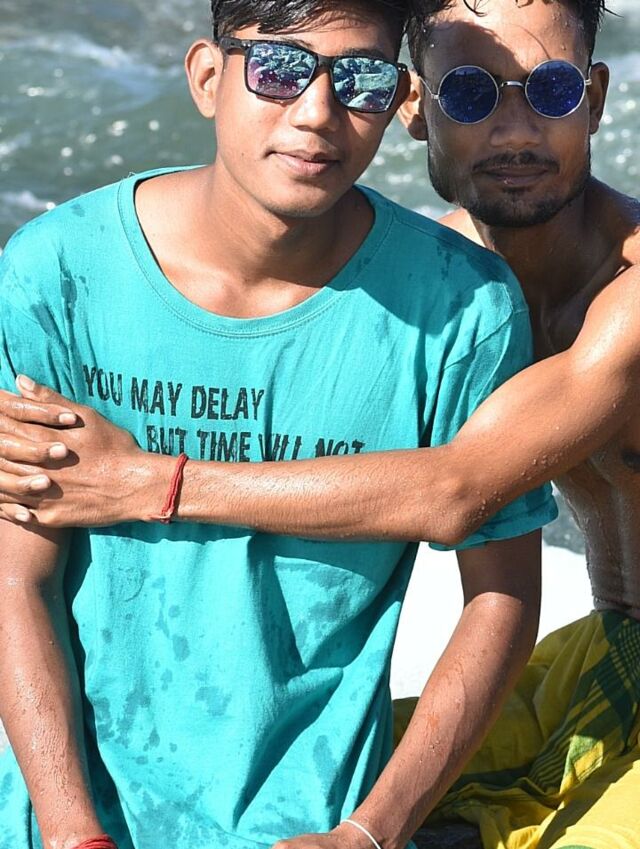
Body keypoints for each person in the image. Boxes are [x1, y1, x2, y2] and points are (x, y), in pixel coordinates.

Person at [2, 0, 638, 846]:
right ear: (418, 108)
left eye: (553, 90)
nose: (515, 130)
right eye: (471, 93)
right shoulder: (444, 287)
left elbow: (458, 491)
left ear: (596, 99)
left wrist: (150, 479)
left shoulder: (574, 298)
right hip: (604, 651)